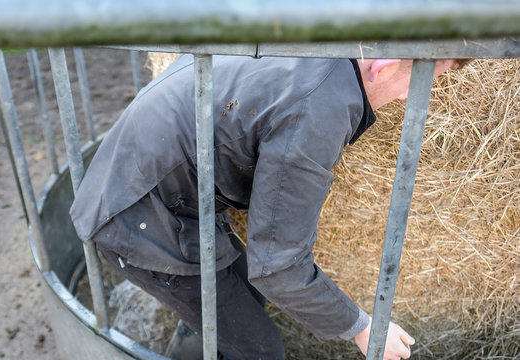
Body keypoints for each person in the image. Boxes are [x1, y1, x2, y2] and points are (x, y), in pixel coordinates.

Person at [70, 54, 455, 359]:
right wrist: (362, 328)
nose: (408, 97)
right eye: (420, 82)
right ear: (384, 65)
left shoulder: (319, 45)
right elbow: (279, 267)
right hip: (135, 215)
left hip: (151, 187)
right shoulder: (319, 110)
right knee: (258, 350)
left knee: (244, 303)